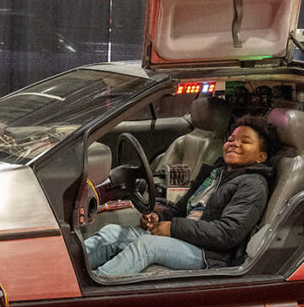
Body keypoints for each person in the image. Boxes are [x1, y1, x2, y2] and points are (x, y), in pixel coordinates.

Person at [85, 115, 277, 278]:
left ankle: (93, 288)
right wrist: (159, 218)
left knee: (147, 245)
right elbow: (180, 209)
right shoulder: (215, 173)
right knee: (112, 232)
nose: (234, 144)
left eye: (245, 141)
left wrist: (174, 228)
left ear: (260, 157)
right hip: (186, 238)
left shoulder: (253, 184)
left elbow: (226, 234)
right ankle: (67, 276)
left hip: (210, 254)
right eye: (231, 139)